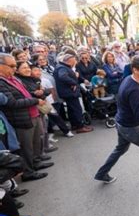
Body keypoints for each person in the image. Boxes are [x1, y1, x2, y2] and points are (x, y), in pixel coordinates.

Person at [94, 55, 139, 187]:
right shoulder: (135, 89)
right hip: (130, 127)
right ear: (135, 70)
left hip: (121, 122)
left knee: (120, 149)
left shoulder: (128, 79)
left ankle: (101, 173)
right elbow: (138, 115)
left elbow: (128, 104)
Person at [0, 54, 48, 182]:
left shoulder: (13, 78)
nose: (14, 69)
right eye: (11, 66)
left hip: (32, 114)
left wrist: (34, 94)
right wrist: (35, 100)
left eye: (15, 66)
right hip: (21, 119)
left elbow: (24, 94)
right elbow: (12, 103)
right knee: (27, 148)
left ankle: (35, 164)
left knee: (36, 142)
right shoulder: (1, 82)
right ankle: (28, 172)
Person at [53, 54, 93, 134]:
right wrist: (74, 82)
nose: (75, 62)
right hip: (69, 92)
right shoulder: (62, 67)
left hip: (67, 92)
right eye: (74, 60)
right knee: (76, 109)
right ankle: (80, 127)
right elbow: (63, 77)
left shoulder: (62, 66)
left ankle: (75, 125)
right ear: (70, 61)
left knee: (72, 109)